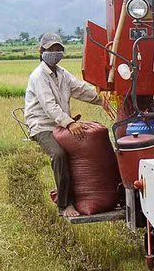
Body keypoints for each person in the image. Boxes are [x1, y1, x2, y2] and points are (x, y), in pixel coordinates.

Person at [24, 32, 112, 217]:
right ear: (42, 51)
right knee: (59, 155)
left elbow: (79, 89)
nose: (55, 53)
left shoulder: (62, 73)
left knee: (85, 149)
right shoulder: (39, 76)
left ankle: (89, 194)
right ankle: (64, 205)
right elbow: (49, 106)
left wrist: (102, 100)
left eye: (58, 50)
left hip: (61, 125)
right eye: (51, 50)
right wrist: (69, 122)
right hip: (42, 126)